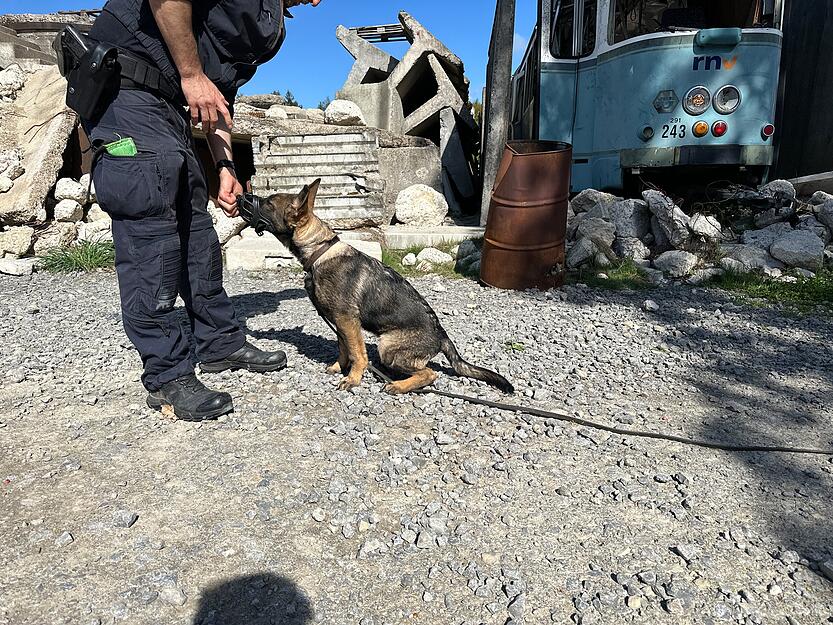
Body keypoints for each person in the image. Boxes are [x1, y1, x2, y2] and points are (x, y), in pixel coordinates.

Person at [83, 0, 323, 421]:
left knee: (198, 232)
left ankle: (220, 344)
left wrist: (225, 166)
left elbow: (217, 101)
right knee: (152, 230)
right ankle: (167, 374)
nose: (316, 1)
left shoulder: (266, 19)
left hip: (169, 107)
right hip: (127, 88)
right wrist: (191, 76)